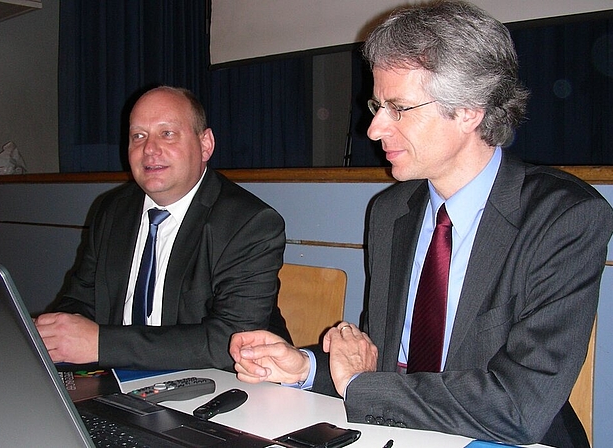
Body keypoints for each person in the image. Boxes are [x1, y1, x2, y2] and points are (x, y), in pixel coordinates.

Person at [229, 2, 613, 447]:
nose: (373, 130)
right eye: (378, 105)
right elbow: (378, 359)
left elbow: (520, 405)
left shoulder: (563, 217)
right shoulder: (391, 210)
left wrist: (357, 385)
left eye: (399, 108)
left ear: (469, 109)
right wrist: (308, 368)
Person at [35, 86, 290, 371]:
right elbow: (81, 300)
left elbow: (230, 341)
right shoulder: (112, 210)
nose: (149, 149)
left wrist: (101, 344)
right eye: (138, 136)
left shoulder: (250, 223)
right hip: (117, 382)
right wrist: (55, 335)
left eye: (167, 133)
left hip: (222, 388)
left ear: (205, 144)